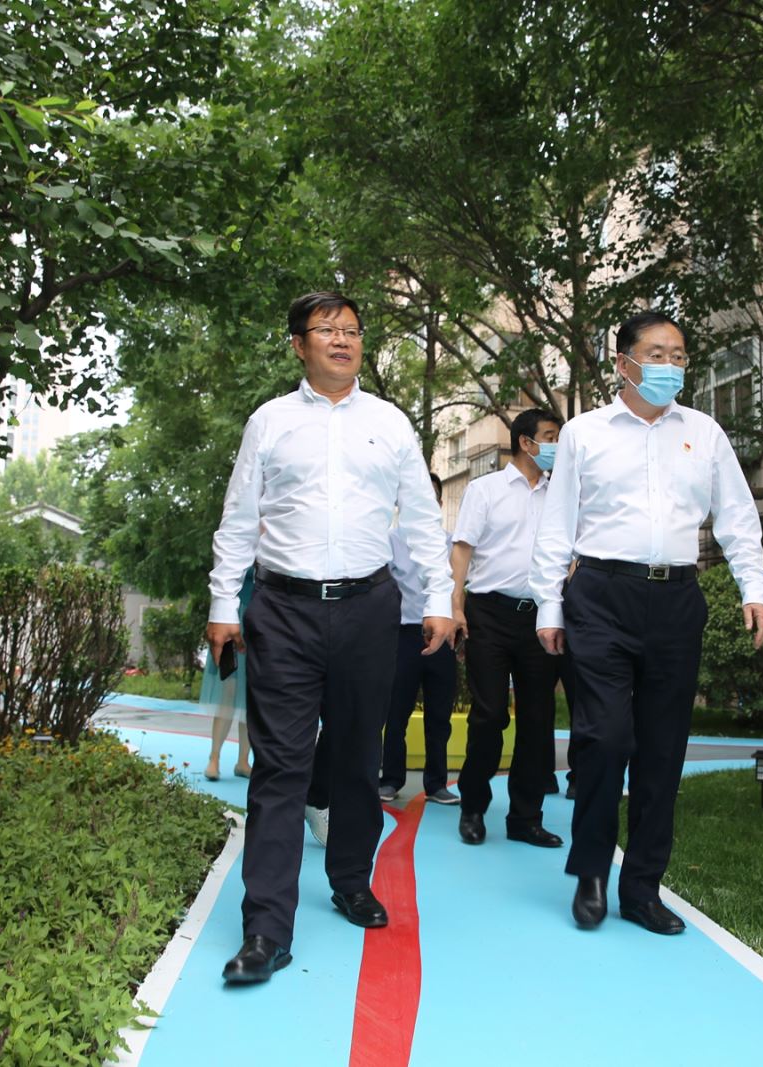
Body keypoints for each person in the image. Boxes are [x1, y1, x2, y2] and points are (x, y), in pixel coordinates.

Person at [205, 292, 455, 985]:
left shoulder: (389, 422)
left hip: (369, 608)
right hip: (283, 610)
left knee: (356, 755)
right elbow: (238, 517)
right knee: (281, 766)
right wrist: (224, 602)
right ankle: (266, 927)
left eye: (352, 330)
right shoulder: (270, 422)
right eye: (327, 329)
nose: (343, 340)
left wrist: (440, 598)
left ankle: (350, 880)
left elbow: (422, 518)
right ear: (298, 344)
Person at [529, 311, 763, 936]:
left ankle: (642, 888)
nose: (670, 365)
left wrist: (754, 587)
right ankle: (590, 872)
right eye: (656, 354)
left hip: (677, 600)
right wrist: (550, 605)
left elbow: (737, 516)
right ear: (624, 363)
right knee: (606, 739)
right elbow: (557, 525)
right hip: (600, 596)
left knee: (663, 751)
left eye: (679, 355)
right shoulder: (584, 434)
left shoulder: (704, 433)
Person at [452, 409, 564, 848]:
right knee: (490, 714)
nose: (557, 445)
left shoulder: (562, 494)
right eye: (550, 436)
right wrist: (454, 605)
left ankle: (525, 818)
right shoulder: (485, 490)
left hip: (542, 617)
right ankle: (473, 807)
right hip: (490, 614)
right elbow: (462, 550)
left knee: (538, 719)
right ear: (525, 442)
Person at [379, 472, 459, 804]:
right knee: (395, 712)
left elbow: (458, 588)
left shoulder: (450, 543)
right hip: (403, 633)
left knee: (439, 714)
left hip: (442, 636)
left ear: (438, 504)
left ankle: (436, 784)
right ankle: (390, 779)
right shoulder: (390, 541)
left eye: (432, 498)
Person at [203, 567, 254, 781]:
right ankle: (214, 758)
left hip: (262, 620)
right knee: (229, 690)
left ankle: (243, 761)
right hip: (234, 618)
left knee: (253, 693)